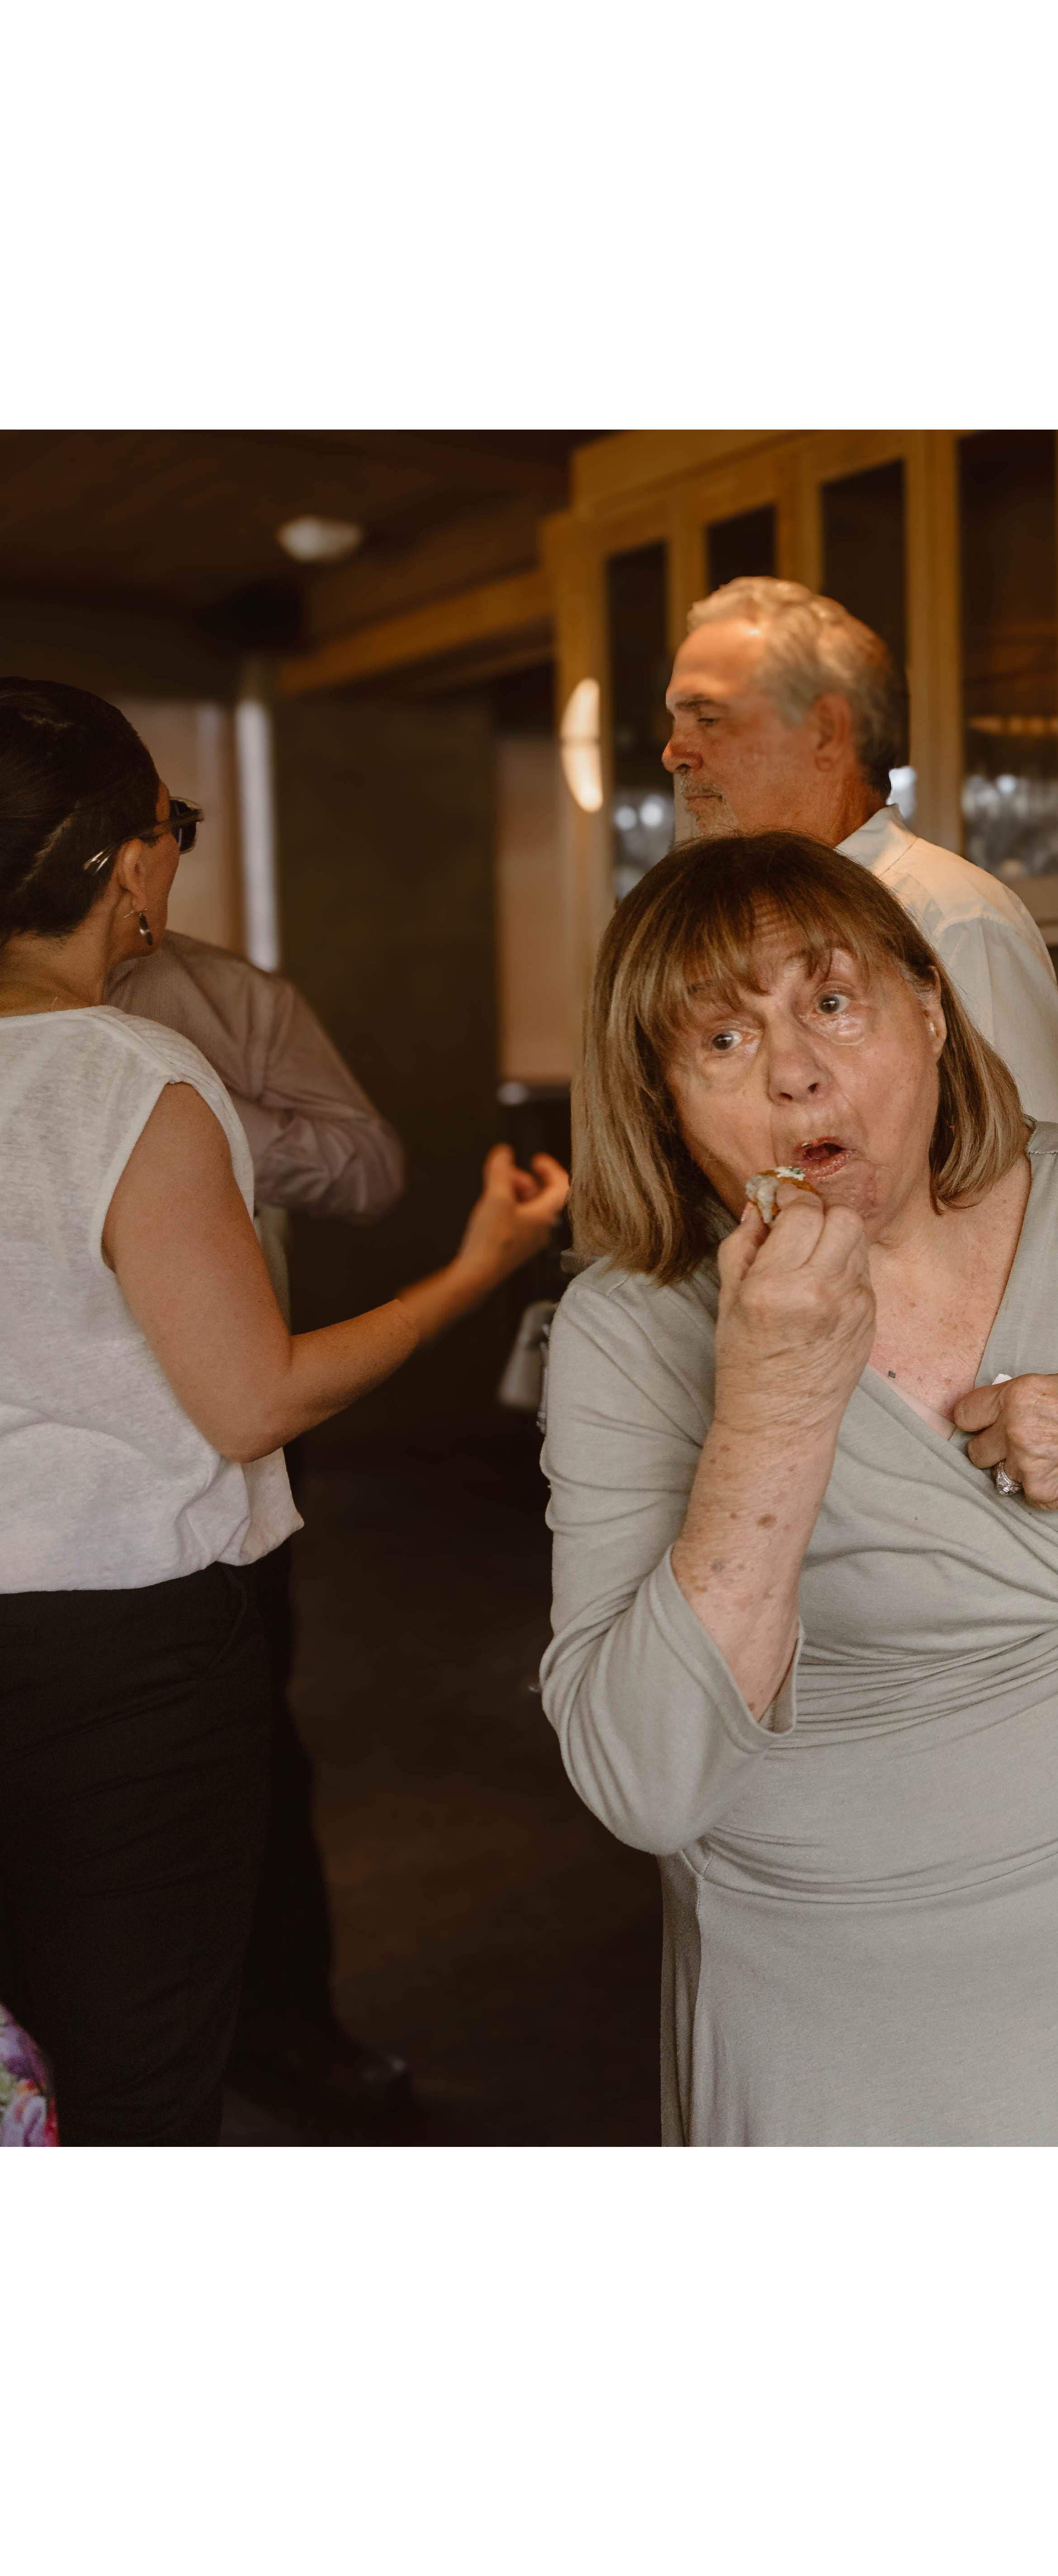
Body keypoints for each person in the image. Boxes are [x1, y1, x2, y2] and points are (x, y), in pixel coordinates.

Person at [538, 832, 1058, 2144]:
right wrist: (773, 1406)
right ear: (660, 1097)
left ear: (931, 1011)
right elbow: (645, 1783)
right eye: (722, 1042)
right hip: (839, 1998)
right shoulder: (628, 1327)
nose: (796, 1073)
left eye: (834, 1003)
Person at [0, 677, 567, 2145]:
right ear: (129, 863)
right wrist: (474, 1271)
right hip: (116, 1652)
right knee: (134, 2077)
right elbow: (254, 1399)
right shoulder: (126, 1071)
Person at [108, 922, 416, 2123]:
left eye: (169, 835)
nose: (154, 870)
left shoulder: (226, 997)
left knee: (247, 1741)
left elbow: (372, 1165)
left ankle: (283, 2025)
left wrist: (203, 1116)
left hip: (226, 1429)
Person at [662, 576, 1058, 1125]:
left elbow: (1036, 1178)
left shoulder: (954, 919)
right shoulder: (733, 925)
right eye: (676, 721)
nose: (674, 754)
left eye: (709, 718)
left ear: (827, 731)